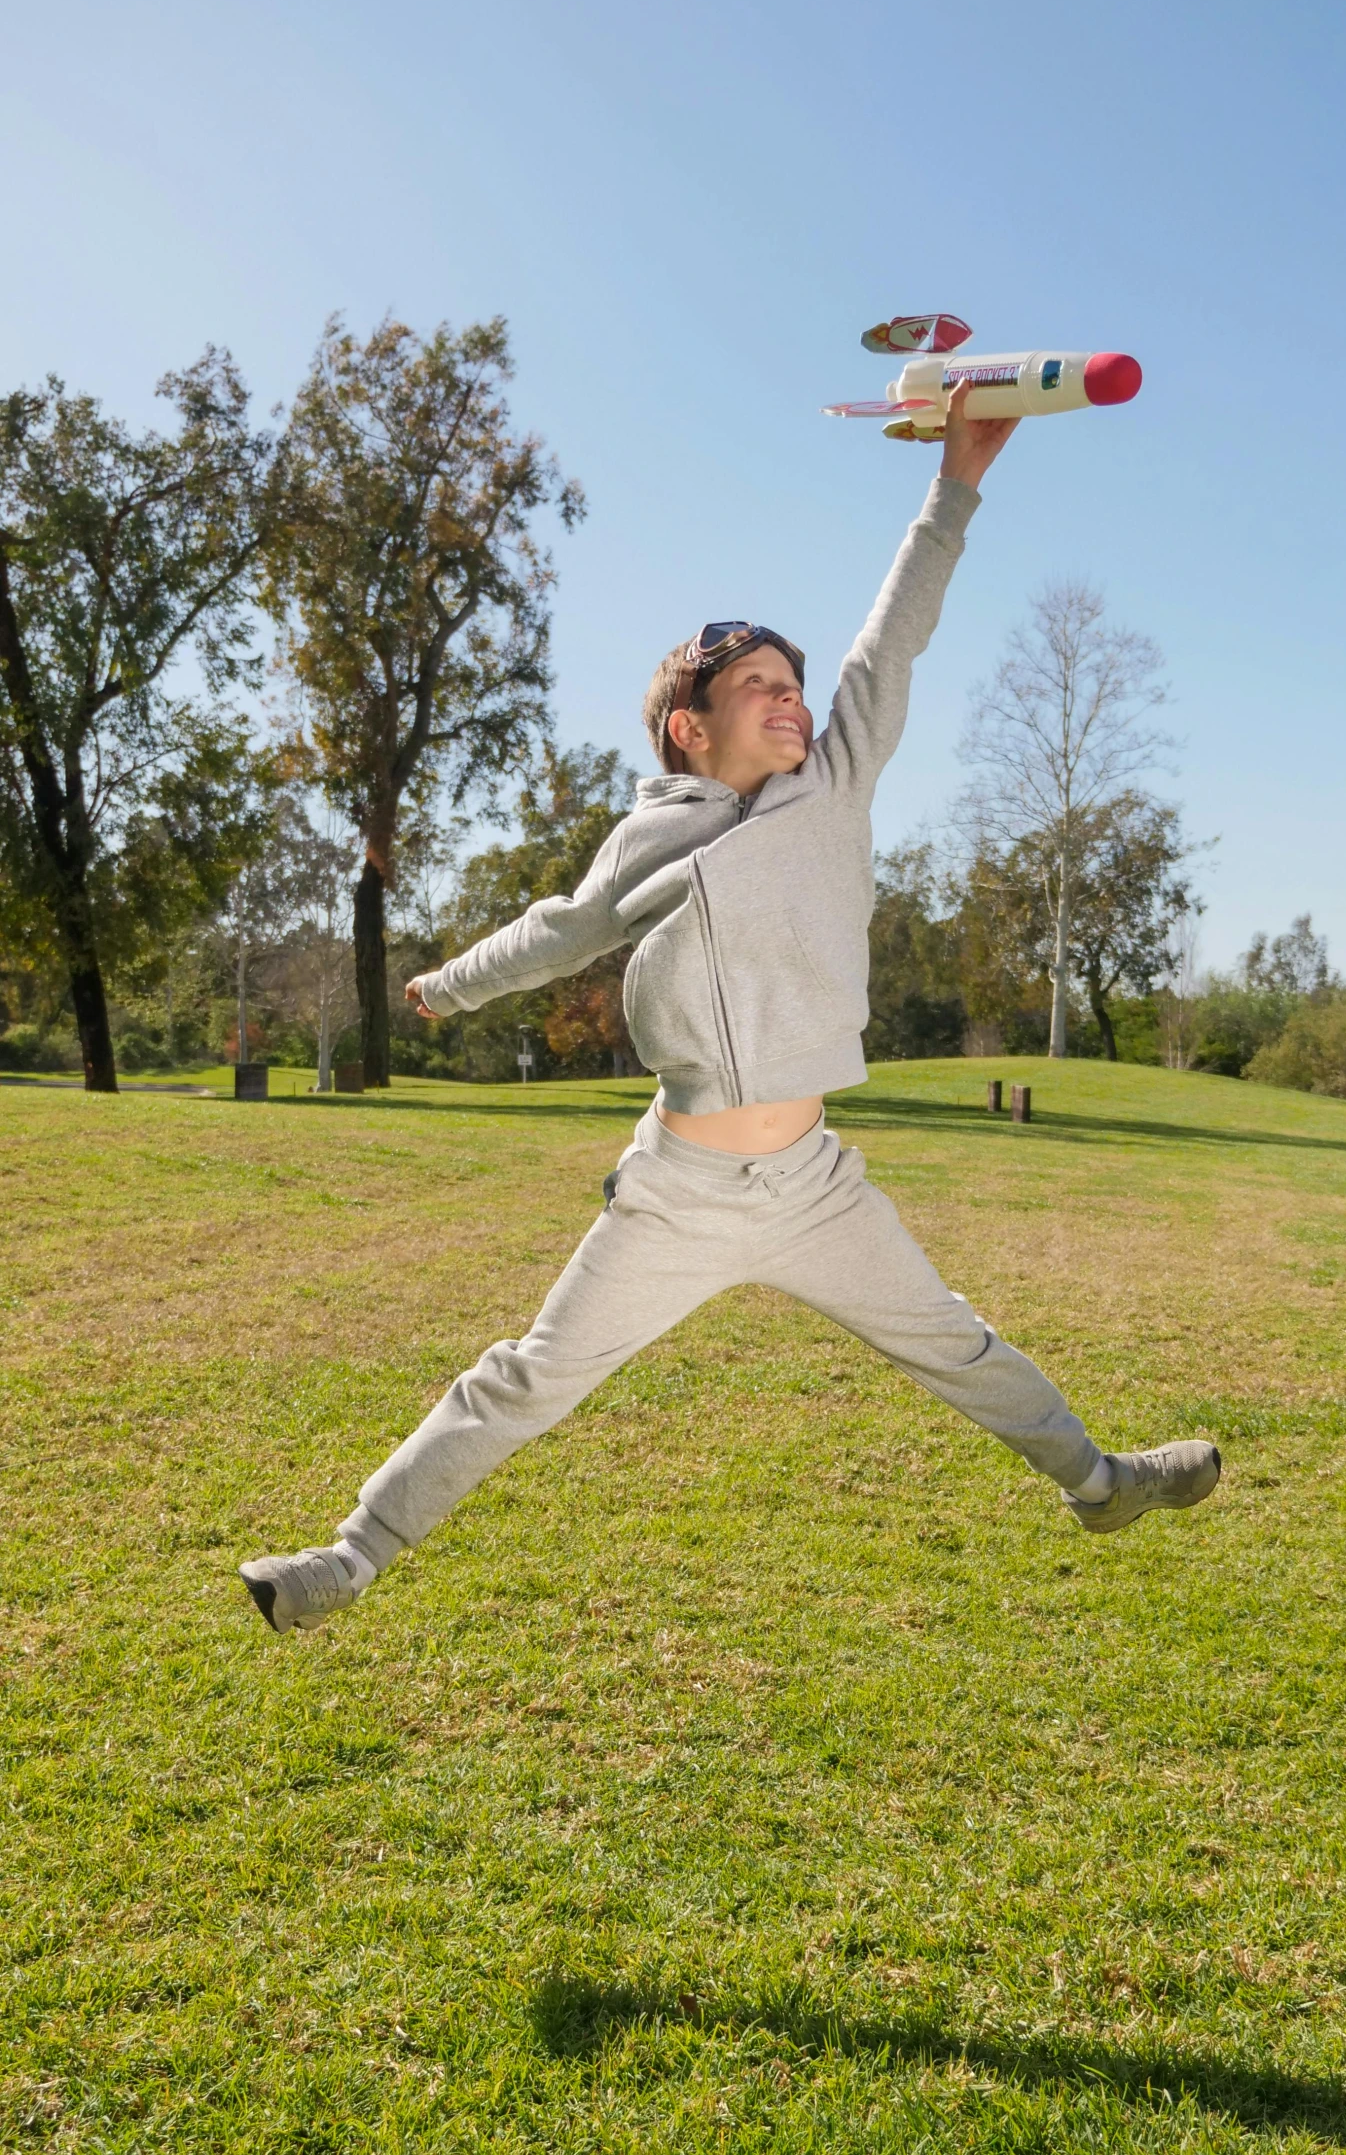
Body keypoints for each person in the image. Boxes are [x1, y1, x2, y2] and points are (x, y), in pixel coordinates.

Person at [240, 385, 1220, 1636]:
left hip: (814, 1184)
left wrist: (958, 480)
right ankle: (349, 1557)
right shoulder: (650, 838)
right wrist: (449, 982)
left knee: (956, 1347)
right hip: (682, 1192)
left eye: (793, 682)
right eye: (759, 682)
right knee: (530, 1379)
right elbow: (563, 929)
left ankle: (1101, 1485)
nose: (791, 697)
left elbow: (894, 639)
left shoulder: (838, 782)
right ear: (687, 727)